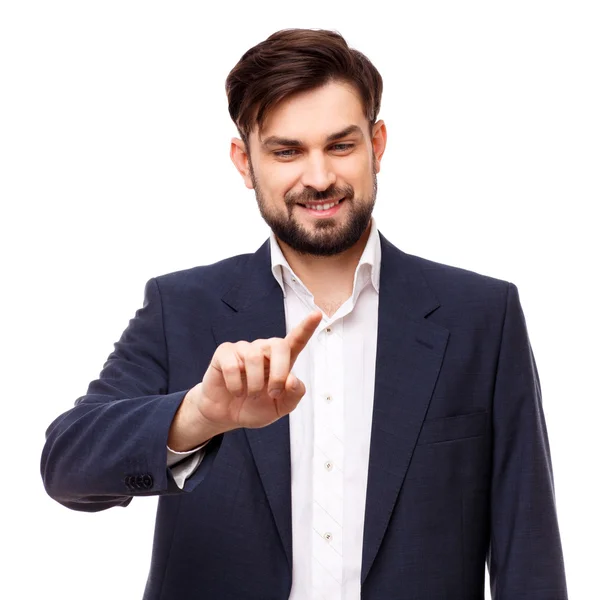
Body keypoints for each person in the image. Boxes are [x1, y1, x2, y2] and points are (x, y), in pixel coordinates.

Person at [41, 28, 568, 600]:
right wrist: (198, 417)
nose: (319, 178)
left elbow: (529, 550)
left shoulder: (482, 317)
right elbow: (68, 468)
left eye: (341, 146)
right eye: (287, 151)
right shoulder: (181, 307)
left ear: (378, 145)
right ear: (245, 162)